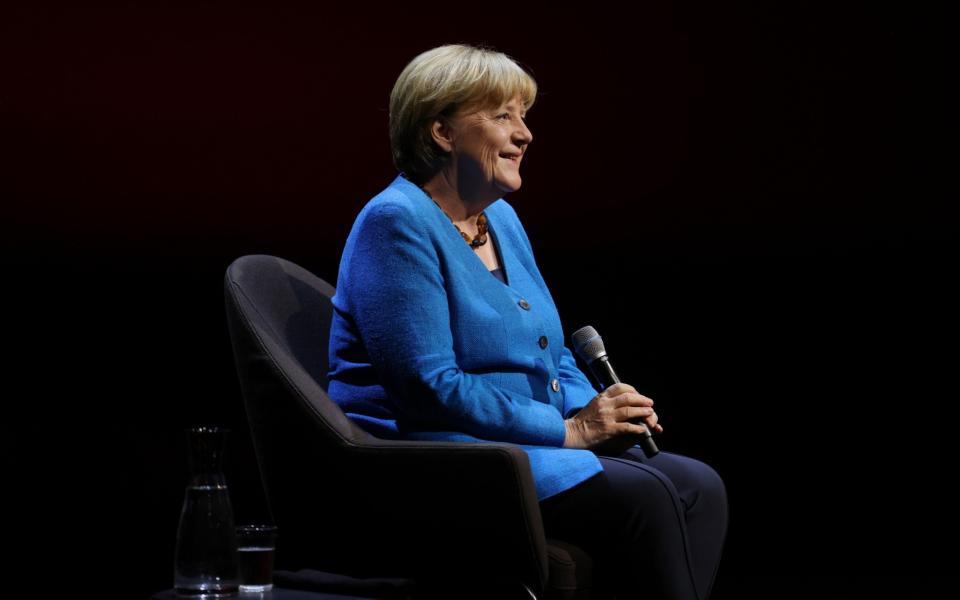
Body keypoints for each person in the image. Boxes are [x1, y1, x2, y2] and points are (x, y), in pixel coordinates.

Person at [328, 44, 727, 600]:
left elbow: (551, 349)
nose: (525, 134)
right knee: (652, 499)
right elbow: (428, 386)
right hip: (443, 455)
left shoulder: (501, 219)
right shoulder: (395, 222)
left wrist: (602, 411)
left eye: (524, 116)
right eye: (502, 116)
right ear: (442, 133)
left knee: (700, 485)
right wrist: (571, 431)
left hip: (520, 444)